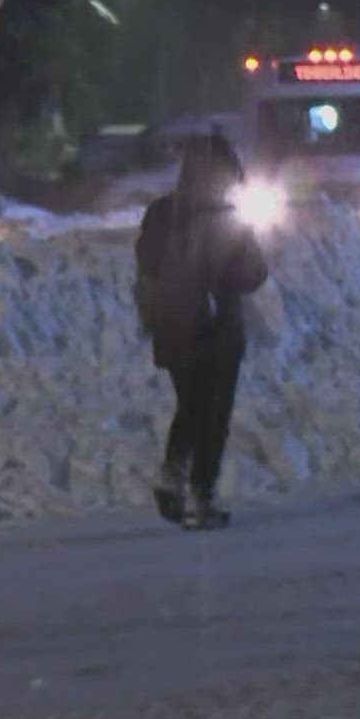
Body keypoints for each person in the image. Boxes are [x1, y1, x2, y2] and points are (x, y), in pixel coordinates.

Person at [133, 128, 270, 529]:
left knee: (190, 406)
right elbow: (254, 274)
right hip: (217, 331)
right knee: (214, 415)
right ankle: (201, 497)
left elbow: (146, 268)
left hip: (172, 329)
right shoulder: (226, 219)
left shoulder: (160, 214)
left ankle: (172, 476)